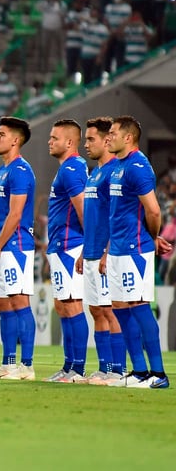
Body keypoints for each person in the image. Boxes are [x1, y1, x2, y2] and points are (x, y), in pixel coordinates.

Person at [105, 116, 171, 389]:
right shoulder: (119, 165)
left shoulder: (138, 165)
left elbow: (153, 210)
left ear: (128, 137)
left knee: (139, 306)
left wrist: (152, 236)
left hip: (135, 248)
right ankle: (140, 371)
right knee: (120, 308)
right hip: (118, 248)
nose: (109, 137)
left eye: (113, 133)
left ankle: (158, 374)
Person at [0, 117, 37, 380]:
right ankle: (8, 363)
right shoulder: (3, 171)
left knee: (19, 302)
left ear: (15, 140)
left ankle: (26, 366)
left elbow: (15, 215)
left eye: (1, 134)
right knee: (3, 304)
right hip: (0, 247)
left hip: (16, 246)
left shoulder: (20, 170)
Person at [76, 117, 125, 384]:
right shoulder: (95, 174)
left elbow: (115, 218)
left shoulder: (115, 172)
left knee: (110, 311)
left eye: (91, 139)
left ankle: (118, 370)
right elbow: (94, 218)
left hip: (107, 253)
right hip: (92, 251)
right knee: (96, 311)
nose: (86, 144)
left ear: (107, 140)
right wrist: (85, 251)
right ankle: (105, 368)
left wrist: (108, 251)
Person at [42, 120, 89, 382]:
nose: (50, 141)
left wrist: (89, 247)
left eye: (55, 137)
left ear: (70, 142)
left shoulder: (72, 169)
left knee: (72, 306)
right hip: (60, 246)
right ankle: (69, 365)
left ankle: (77, 369)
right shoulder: (66, 169)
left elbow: (83, 210)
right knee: (62, 306)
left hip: (72, 245)